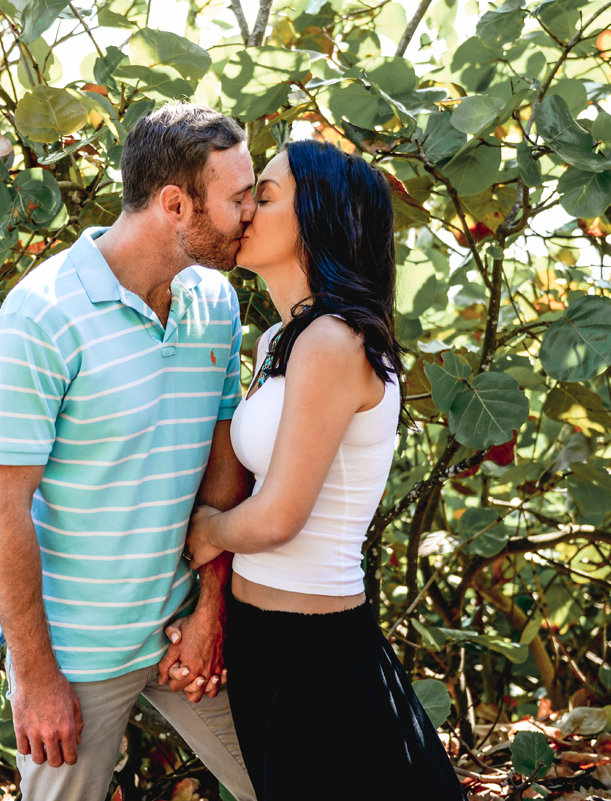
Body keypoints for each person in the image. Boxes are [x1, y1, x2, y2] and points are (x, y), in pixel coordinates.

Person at [0, 104, 258, 801]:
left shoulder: (216, 302)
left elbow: (224, 456)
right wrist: (37, 677)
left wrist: (210, 606)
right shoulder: (41, 315)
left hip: (180, 633)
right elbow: (0, 501)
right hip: (73, 654)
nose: (252, 212)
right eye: (238, 198)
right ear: (174, 204)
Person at [183, 140, 468, 801]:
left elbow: (280, 514)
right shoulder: (279, 341)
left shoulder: (334, 342)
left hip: (317, 653)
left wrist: (209, 529)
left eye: (268, 194)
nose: (247, 207)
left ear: (318, 217)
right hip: (266, 639)